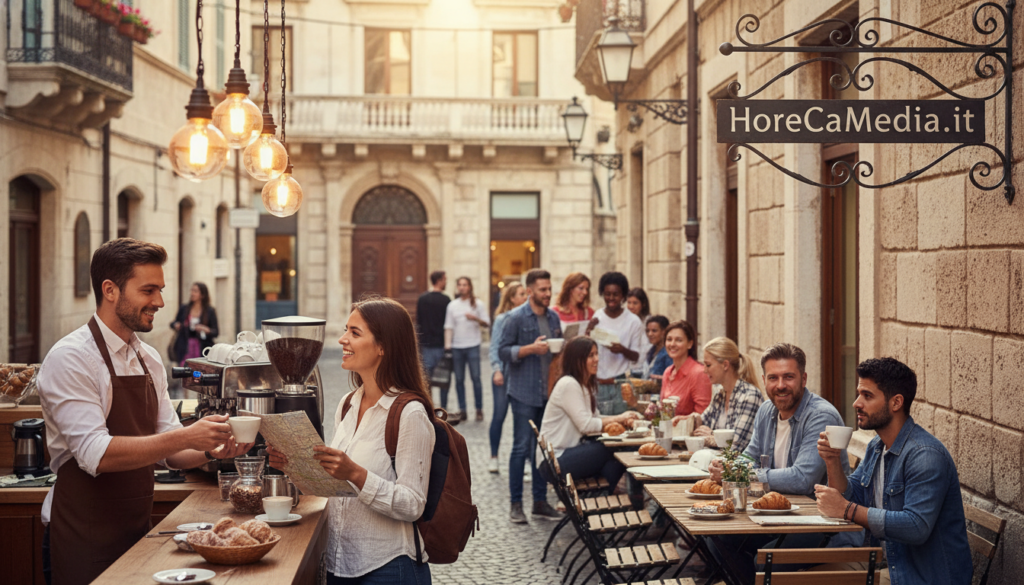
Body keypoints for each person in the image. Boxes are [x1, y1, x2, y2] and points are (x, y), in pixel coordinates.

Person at [36, 238, 251, 585]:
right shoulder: (71, 358)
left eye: (160, 290)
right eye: (148, 290)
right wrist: (186, 434)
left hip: (138, 533)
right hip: (82, 535)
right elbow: (96, 454)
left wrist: (209, 450)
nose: (160, 302)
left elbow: (170, 450)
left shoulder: (148, 359)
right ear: (110, 290)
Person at [269, 297, 436, 585]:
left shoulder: (410, 414)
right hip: (339, 563)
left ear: (384, 346)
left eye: (355, 333)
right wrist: (294, 467)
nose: (342, 339)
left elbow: (413, 505)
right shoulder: (347, 403)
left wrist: (356, 474)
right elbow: (338, 488)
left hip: (387, 567)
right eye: (346, 329)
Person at [815, 358, 972, 585]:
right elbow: (851, 495)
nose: (856, 403)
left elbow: (916, 527)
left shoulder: (925, 455)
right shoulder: (877, 446)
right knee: (802, 576)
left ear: (896, 402)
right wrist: (831, 460)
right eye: (858, 394)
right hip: (886, 563)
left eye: (867, 396)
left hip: (919, 576)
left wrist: (846, 510)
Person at [706, 342, 852, 584]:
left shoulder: (819, 416)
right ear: (764, 380)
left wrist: (745, 473)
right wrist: (728, 466)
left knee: (765, 560)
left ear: (803, 379)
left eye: (789, 377)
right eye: (773, 378)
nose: (780, 385)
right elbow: (750, 455)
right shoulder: (766, 410)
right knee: (716, 539)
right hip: (779, 517)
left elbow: (802, 479)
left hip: (821, 524)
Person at [496, 268, 563, 524]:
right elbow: (502, 351)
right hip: (523, 392)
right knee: (521, 447)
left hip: (549, 394)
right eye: (543, 290)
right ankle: (515, 505)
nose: (547, 294)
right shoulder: (514, 318)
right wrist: (529, 349)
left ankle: (539, 502)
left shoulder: (554, 318)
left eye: (549, 289)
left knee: (543, 449)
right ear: (530, 291)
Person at [538, 337, 636, 490]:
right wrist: (620, 418)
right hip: (555, 460)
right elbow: (586, 425)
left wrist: (624, 418)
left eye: (597, 354)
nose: (596, 359)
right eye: (591, 355)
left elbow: (595, 418)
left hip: (567, 454)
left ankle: (605, 497)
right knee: (614, 449)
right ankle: (621, 498)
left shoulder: (583, 385)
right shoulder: (569, 384)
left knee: (617, 455)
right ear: (577, 359)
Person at [673, 336, 763, 452]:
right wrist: (690, 419)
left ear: (725, 365)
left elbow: (736, 445)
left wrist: (711, 436)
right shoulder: (720, 395)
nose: (704, 370)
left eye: (708, 365)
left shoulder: (750, 396)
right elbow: (702, 423)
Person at [586, 272, 644, 415]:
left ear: (623, 296)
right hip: (598, 384)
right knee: (599, 428)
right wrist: (588, 330)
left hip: (620, 384)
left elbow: (636, 356)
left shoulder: (633, 321)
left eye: (615, 294)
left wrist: (622, 350)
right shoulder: (597, 316)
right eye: (607, 294)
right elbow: (588, 348)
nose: (611, 298)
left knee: (622, 426)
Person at [488, 282, 528, 473]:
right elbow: (495, 346)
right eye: (521, 294)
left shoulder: (530, 318)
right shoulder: (502, 319)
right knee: (499, 415)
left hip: (522, 374)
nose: (525, 297)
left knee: (524, 418)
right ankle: (494, 456)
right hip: (503, 374)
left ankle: (527, 460)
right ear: (512, 298)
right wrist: (497, 369)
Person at [444, 276, 490, 422]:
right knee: (459, 379)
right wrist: (448, 346)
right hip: (457, 346)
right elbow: (448, 326)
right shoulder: (452, 305)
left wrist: (475, 318)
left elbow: (487, 323)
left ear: (470, 287)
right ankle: (462, 410)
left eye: (465, 285)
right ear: (457, 287)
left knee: (476, 378)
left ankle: (479, 409)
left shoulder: (478, 304)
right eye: (460, 285)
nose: (462, 287)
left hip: (473, 345)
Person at [658, 320, 711, 417]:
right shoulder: (667, 372)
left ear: (690, 344)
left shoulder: (699, 373)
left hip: (690, 431)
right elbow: (663, 411)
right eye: (669, 339)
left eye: (679, 340)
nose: (672, 344)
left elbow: (703, 415)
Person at [169, 282, 219, 365]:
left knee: (199, 372)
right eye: (192, 290)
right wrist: (176, 325)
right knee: (184, 371)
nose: (192, 293)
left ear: (202, 295)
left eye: (195, 291)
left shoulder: (210, 311)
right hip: (184, 346)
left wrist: (205, 329)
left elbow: (216, 332)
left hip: (202, 347)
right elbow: (173, 323)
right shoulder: (184, 308)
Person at [416, 270, 450, 383]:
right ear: (439, 281)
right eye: (445, 280)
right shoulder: (446, 300)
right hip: (441, 343)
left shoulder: (422, 299)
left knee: (426, 378)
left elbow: (419, 321)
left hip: (426, 343)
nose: (446, 282)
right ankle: (444, 401)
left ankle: (427, 400)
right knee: (444, 377)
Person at [625, 288, 651, 377]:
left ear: (643, 304)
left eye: (635, 303)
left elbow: (647, 346)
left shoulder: (648, 322)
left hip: (643, 368)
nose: (631, 306)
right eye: (629, 302)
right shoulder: (626, 321)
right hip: (627, 368)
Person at [640, 315, 671, 380]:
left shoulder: (669, 353)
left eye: (654, 331)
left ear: (664, 332)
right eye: (648, 331)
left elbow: (672, 379)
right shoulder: (651, 351)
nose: (650, 334)